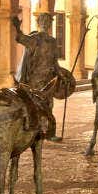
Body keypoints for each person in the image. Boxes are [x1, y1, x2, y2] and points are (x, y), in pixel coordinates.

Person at [12, 13, 74, 141]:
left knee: (46, 105)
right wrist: (17, 28)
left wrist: (61, 74)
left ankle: (48, 133)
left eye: (47, 22)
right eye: (44, 21)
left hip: (47, 79)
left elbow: (54, 61)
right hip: (35, 80)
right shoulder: (36, 39)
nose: (46, 24)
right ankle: (33, 132)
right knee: (36, 105)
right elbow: (20, 38)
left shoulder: (50, 41)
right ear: (40, 24)